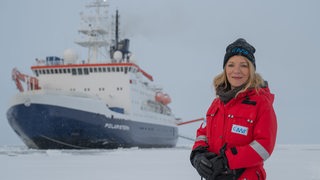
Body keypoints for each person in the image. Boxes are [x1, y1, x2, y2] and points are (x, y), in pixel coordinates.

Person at [190, 38, 277, 180]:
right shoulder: (216, 103)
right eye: (231, 65)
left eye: (243, 65)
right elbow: (203, 133)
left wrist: (227, 162)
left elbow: (264, 146)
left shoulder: (261, 103)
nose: (236, 71)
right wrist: (197, 154)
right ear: (225, 69)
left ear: (251, 70)